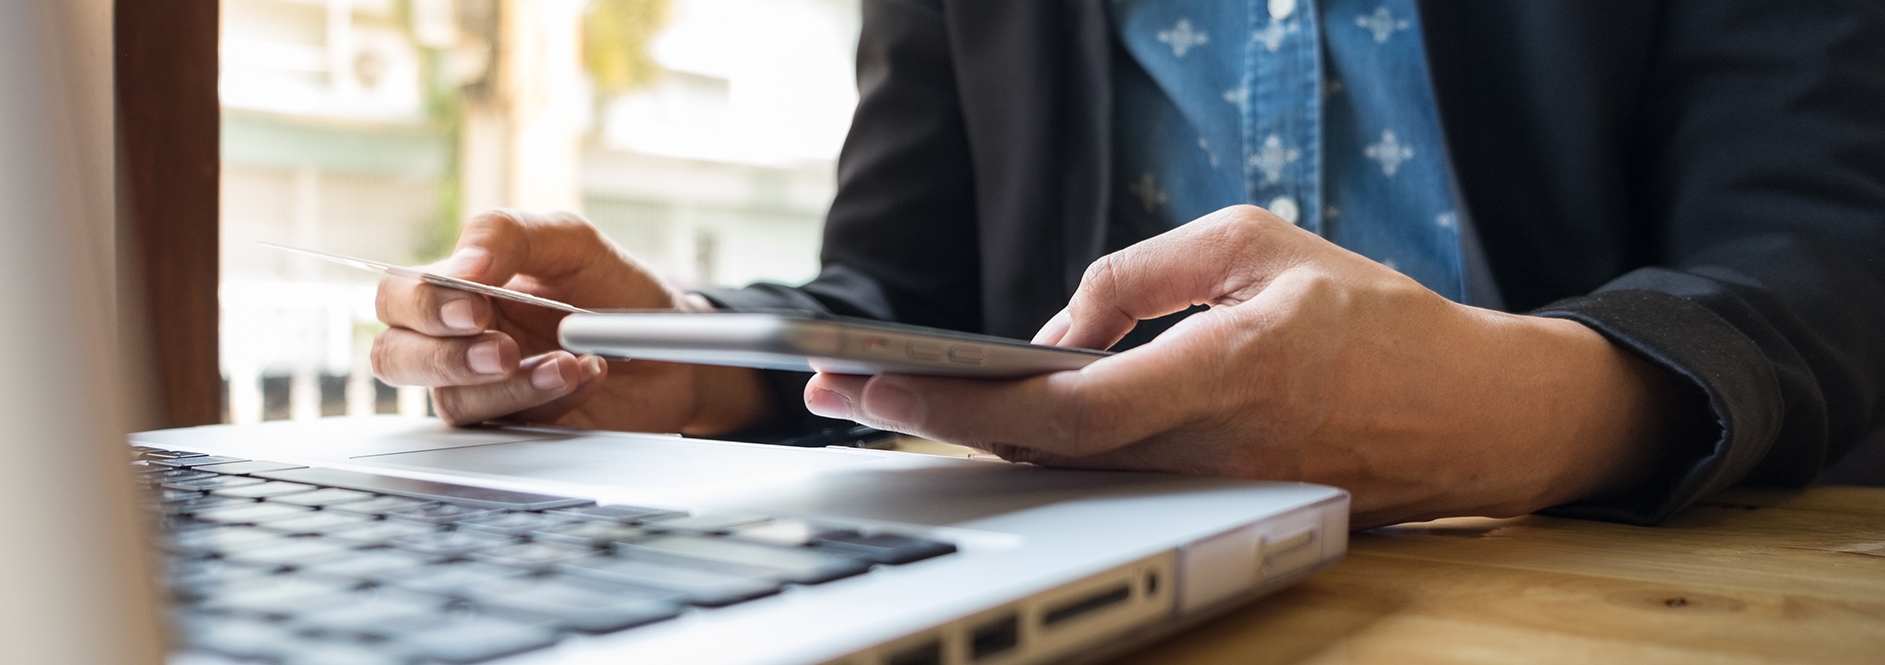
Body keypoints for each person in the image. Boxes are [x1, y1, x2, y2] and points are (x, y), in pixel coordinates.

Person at [371, 1, 1885, 529]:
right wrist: (683, 356)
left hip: (1600, 575)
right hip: (1102, 562)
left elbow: (1824, 255)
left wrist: (1516, 404)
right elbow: (905, 285)